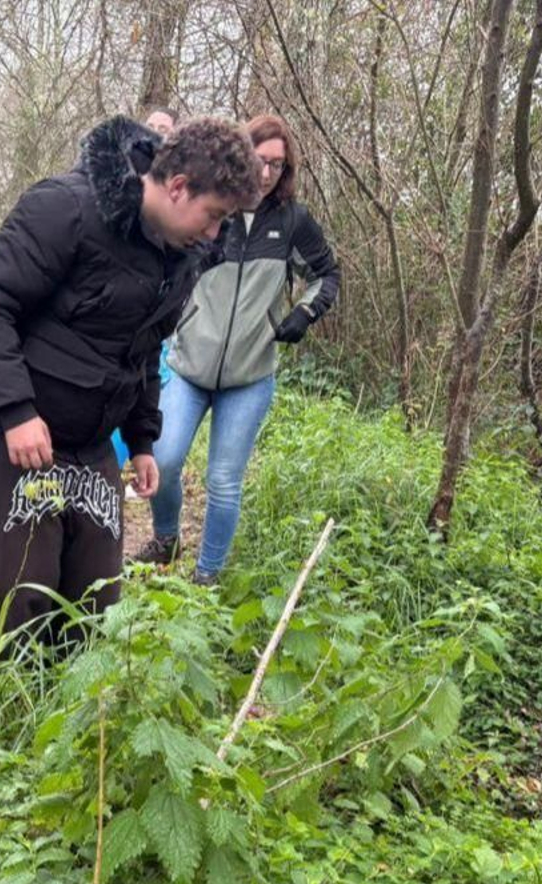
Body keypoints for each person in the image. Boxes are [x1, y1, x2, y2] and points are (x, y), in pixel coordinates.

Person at [0, 115, 259, 651]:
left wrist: (142, 439)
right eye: (213, 216)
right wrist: (16, 412)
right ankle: (14, 722)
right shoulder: (66, 208)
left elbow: (141, 347)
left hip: (91, 444)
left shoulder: (178, 255)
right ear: (179, 186)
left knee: (94, 607)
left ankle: (79, 727)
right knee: (22, 606)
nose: (215, 235)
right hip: (15, 437)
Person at [134, 114, 341, 584]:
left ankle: (207, 577)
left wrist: (304, 314)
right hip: (188, 365)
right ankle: (166, 539)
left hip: (249, 375)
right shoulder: (214, 211)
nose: (266, 174)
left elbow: (327, 274)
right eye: (259, 161)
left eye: (277, 165)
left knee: (223, 481)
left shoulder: (293, 223)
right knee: (163, 461)